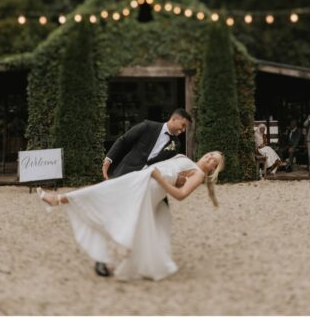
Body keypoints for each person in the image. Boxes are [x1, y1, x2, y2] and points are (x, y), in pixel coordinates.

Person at [37, 152, 223, 281]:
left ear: (213, 168)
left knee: (105, 195)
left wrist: (159, 179)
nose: (209, 156)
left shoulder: (198, 174)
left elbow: (180, 195)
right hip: (140, 179)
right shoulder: (185, 159)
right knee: (105, 194)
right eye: (210, 153)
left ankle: (58, 199)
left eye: (213, 159)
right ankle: (59, 199)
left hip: (147, 189)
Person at [94, 108, 193, 277]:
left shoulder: (176, 144)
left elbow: (169, 167)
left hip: (148, 184)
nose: (182, 130)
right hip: (126, 176)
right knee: (116, 217)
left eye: (185, 128)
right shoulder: (148, 126)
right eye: (183, 125)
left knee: (155, 217)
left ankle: (147, 258)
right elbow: (124, 140)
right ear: (175, 119)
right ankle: (101, 260)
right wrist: (108, 160)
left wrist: (178, 179)